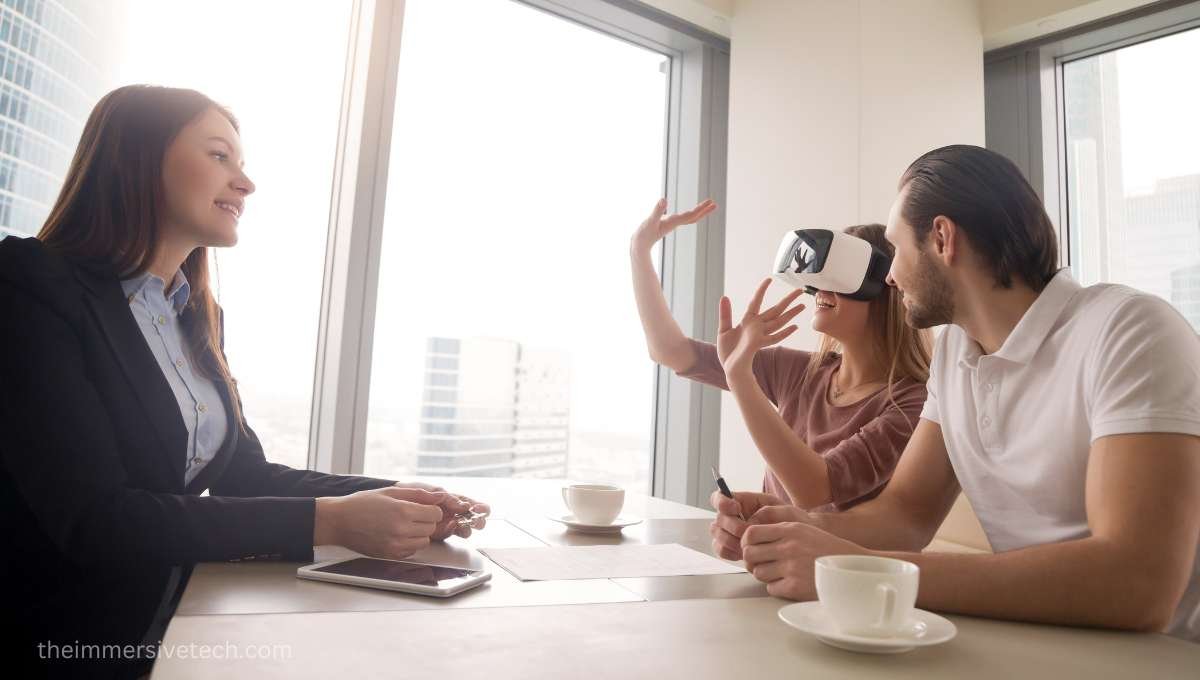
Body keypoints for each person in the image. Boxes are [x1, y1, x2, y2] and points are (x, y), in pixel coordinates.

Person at [0, 85, 489, 678]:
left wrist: (393, 494)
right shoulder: (30, 285)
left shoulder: (195, 315)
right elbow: (98, 520)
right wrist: (331, 519)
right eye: (218, 156)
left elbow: (243, 474)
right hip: (67, 644)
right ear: (138, 157)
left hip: (179, 625)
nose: (245, 183)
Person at [711, 144, 1200, 640]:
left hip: (1157, 657)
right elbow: (904, 514)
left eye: (896, 252)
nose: (893, 279)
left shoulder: (1129, 330)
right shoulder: (955, 354)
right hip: (1040, 642)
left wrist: (868, 570)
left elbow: (1139, 584)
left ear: (943, 238)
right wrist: (794, 527)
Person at [631, 199, 932, 516]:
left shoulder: (913, 404)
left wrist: (741, 376)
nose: (818, 288)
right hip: (776, 562)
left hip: (845, 567)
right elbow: (670, 351)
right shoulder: (800, 372)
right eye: (818, 276)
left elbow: (813, 489)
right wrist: (639, 250)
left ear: (886, 288)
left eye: (838, 275)